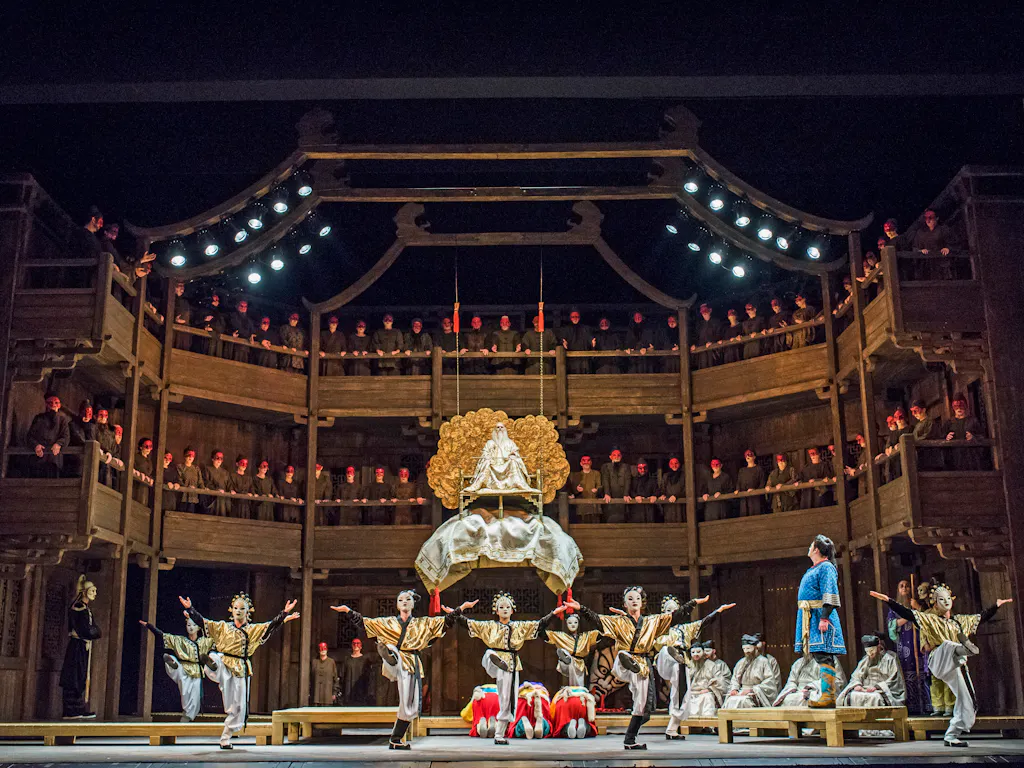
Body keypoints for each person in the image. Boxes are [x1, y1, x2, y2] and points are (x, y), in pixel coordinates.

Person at [871, 582, 1012, 747]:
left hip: (955, 665)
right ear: (935, 604)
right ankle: (964, 649)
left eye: (947, 599)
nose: (945, 602)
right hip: (938, 659)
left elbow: (980, 617)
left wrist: (996, 605)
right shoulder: (931, 619)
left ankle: (952, 735)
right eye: (941, 599)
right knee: (948, 645)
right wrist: (889, 601)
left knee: (969, 702)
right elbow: (909, 614)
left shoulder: (959, 621)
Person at [576, 589, 708, 750]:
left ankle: (630, 739)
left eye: (637, 598)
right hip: (625, 661)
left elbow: (673, 617)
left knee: (642, 705)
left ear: (642, 602)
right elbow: (597, 620)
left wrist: (692, 603)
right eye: (630, 598)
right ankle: (625, 661)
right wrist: (581, 608)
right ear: (625, 604)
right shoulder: (618, 621)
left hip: (642, 666)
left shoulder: (651, 622)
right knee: (623, 656)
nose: (634, 601)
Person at [180, 592, 299, 749]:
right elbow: (203, 622)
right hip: (223, 661)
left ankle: (225, 738)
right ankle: (211, 664)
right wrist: (191, 609)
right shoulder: (223, 627)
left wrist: (283, 614)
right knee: (216, 658)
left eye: (242, 608)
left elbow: (269, 626)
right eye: (236, 608)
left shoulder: (251, 629)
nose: (238, 611)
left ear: (247, 612)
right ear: (231, 610)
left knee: (238, 707)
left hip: (240, 668)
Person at [456, 592, 565, 745]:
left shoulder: (519, 627)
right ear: (496, 611)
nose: (505, 609)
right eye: (501, 607)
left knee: (507, 699)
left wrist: (554, 613)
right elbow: (469, 624)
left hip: (510, 665)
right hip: (495, 660)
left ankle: (499, 734)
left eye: (507, 607)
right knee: (489, 654)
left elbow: (539, 624)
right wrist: (457, 611)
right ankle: (494, 660)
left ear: (512, 610)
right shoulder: (490, 626)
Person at [654, 595, 733, 739]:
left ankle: (671, 730)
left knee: (681, 697)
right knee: (666, 651)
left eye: (674, 610)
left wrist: (719, 611)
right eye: (668, 610)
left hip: (682, 663)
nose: (671, 613)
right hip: (665, 661)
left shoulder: (686, 628)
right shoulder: (658, 628)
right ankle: (672, 653)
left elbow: (704, 622)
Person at [794, 534, 846, 707]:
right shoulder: (814, 568)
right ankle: (826, 695)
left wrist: (824, 617)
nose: (809, 548)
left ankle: (828, 695)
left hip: (820, 616)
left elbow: (829, 593)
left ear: (816, 549)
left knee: (823, 655)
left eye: (811, 545)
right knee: (818, 654)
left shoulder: (826, 567)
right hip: (810, 616)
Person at [139, 613, 216, 722]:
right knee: (184, 691)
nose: (191, 627)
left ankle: (187, 717)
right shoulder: (180, 640)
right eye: (188, 625)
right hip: (183, 670)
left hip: (197, 671)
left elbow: (216, 637)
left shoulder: (205, 641)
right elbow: (163, 636)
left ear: (198, 627)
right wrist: (150, 626)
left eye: (194, 625)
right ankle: (172, 663)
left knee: (194, 699)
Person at [887, 578, 931, 715]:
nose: (905, 588)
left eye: (907, 586)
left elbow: (928, 619)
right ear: (898, 590)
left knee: (923, 673)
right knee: (908, 675)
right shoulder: (895, 608)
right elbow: (891, 625)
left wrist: (916, 609)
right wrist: (909, 616)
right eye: (902, 586)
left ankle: (927, 705)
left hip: (919, 643)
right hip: (905, 645)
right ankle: (912, 706)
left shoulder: (918, 605)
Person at [60, 575, 101, 718]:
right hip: (77, 645)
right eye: (92, 590)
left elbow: (94, 629)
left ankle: (78, 707)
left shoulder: (85, 608)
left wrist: (94, 632)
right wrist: (92, 632)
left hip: (83, 645)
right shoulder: (78, 607)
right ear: (84, 591)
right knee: (74, 676)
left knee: (81, 675)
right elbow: (86, 630)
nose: (94, 593)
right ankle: (70, 709)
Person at [464, 423, 536, 496]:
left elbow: (515, 453)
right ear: (495, 429)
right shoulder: (490, 443)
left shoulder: (510, 442)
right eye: (498, 427)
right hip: (493, 464)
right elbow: (485, 453)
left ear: (505, 429)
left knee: (514, 461)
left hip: (507, 465)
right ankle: (481, 485)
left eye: (502, 427)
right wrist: (488, 457)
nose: (500, 429)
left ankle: (516, 483)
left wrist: (512, 455)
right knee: (486, 462)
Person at [836, 633, 906, 707]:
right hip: (865, 689)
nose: (870, 654)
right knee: (852, 696)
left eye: (872, 650)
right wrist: (857, 684)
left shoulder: (890, 659)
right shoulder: (864, 661)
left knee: (875, 698)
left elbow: (894, 679)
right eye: (867, 651)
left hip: (882, 690)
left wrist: (877, 686)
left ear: (878, 647)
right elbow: (856, 676)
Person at [540, 609, 602, 688]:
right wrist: (553, 614)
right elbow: (541, 631)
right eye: (570, 623)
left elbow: (602, 630)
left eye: (575, 622)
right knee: (565, 654)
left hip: (579, 665)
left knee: (579, 686)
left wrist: (585, 611)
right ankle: (565, 658)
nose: (573, 625)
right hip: (565, 665)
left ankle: (568, 659)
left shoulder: (586, 636)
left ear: (578, 623)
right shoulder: (561, 636)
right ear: (566, 624)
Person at [721, 634, 781, 709]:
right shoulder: (741, 662)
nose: (746, 651)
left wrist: (753, 690)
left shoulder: (764, 661)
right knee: (731, 701)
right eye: (744, 649)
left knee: (744, 701)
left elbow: (770, 681)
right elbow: (735, 679)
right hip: (741, 691)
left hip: (756, 693)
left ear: (755, 648)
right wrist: (734, 689)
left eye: (749, 648)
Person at [774, 653, 847, 707]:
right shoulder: (799, 662)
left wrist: (811, 687)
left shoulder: (830, 660)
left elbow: (838, 681)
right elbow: (791, 682)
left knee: (815, 698)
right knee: (788, 699)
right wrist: (793, 689)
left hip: (818, 691)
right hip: (800, 692)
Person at [26, 391, 70, 478]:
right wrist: (36, 445)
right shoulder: (39, 418)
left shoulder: (62, 420)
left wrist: (59, 444)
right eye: (50, 403)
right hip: (38, 459)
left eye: (56, 403)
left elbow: (65, 436)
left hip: (54, 460)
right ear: (46, 404)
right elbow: (30, 436)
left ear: (59, 405)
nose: (53, 405)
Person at [943, 394, 985, 470]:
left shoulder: (973, 421)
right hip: (955, 458)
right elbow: (941, 437)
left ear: (966, 406)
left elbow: (982, 436)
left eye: (961, 405)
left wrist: (973, 437)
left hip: (971, 458)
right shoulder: (949, 423)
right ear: (953, 407)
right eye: (956, 406)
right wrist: (946, 437)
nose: (959, 408)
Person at [913, 209, 955, 280]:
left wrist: (947, 248)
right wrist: (921, 250)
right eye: (926, 219)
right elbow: (915, 247)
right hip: (926, 266)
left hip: (941, 264)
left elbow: (953, 243)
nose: (928, 221)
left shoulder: (943, 229)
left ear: (936, 218)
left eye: (930, 218)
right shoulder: (920, 232)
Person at [339, 638, 375, 705]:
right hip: (348, 691)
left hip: (361, 691)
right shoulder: (347, 660)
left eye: (358, 644)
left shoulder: (365, 661)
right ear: (352, 646)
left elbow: (369, 678)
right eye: (354, 644)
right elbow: (342, 675)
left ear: (361, 646)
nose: (356, 645)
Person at [911, 399, 943, 470]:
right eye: (913, 411)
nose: (915, 414)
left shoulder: (930, 422)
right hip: (921, 456)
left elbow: (928, 436)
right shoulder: (917, 425)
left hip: (931, 456)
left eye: (916, 411)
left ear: (923, 410)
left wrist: (913, 441)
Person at [568, 455, 602, 522]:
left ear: (591, 462)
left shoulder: (596, 474)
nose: (586, 462)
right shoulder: (576, 475)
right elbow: (572, 490)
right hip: (581, 505)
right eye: (584, 461)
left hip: (594, 504)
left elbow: (599, 486)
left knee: (595, 523)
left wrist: (597, 489)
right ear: (581, 463)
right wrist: (577, 489)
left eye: (588, 460)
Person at [600, 448, 630, 523]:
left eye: (618, 455)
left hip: (622, 496)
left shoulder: (626, 467)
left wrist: (626, 494)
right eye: (614, 455)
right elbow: (605, 480)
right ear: (610, 457)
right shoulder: (606, 466)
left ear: (621, 456)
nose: (616, 457)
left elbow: (628, 480)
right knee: (610, 518)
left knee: (622, 518)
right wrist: (607, 493)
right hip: (610, 496)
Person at [559, 309, 593, 374]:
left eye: (577, 316)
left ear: (579, 317)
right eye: (573, 317)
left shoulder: (585, 329)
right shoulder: (566, 329)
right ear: (570, 318)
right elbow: (561, 341)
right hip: (571, 360)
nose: (575, 318)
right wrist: (563, 343)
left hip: (584, 360)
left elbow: (590, 340)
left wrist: (592, 343)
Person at [736, 449, 765, 517]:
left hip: (755, 498)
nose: (748, 456)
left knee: (755, 515)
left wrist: (755, 490)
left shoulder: (759, 469)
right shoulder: (742, 470)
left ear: (754, 457)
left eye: (750, 454)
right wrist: (737, 489)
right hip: (744, 498)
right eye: (746, 455)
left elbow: (762, 483)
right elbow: (739, 482)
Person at [693, 303, 722, 368]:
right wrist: (695, 345)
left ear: (710, 310)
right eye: (702, 312)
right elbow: (697, 337)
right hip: (702, 352)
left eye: (705, 311)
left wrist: (712, 342)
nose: (704, 313)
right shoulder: (700, 324)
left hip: (712, 351)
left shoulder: (716, 322)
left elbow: (719, 334)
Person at [203, 450, 231, 516]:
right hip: (212, 499)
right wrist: (216, 489)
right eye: (217, 458)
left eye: (221, 458)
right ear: (212, 459)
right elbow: (206, 482)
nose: (219, 460)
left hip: (223, 499)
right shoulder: (207, 469)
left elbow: (229, 484)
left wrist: (231, 490)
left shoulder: (225, 472)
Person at [630, 459, 658, 523]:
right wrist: (635, 496)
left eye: (644, 468)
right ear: (637, 468)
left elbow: (657, 490)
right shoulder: (634, 480)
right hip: (637, 508)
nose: (643, 470)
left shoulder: (652, 480)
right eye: (640, 468)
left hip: (649, 508)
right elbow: (630, 491)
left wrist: (654, 496)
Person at [660, 456, 685, 523]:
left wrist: (676, 496)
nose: (674, 465)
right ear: (669, 465)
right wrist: (662, 495)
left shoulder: (684, 475)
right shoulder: (665, 476)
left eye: (676, 463)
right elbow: (662, 489)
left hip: (680, 506)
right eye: (672, 463)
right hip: (669, 506)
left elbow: (686, 490)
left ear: (679, 464)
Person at [312, 642, 339, 706]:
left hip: (327, 695)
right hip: (316, 695)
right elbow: (311, 678)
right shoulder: (314, 662)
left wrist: (334, 693)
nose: (323, 650)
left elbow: (335, 678)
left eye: (324, 648)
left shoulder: (331, 662)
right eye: (321, 648)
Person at [199, 293, 225, 357]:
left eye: (217, 300)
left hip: (216, 340)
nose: (217, 302)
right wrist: (204, 322)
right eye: (215, 300)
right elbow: (196, 322)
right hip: (205, 340)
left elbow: (222, 326)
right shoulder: (204, 310)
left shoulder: (219, 314)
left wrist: (213, 328)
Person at [171, 282, 193, 351]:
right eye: (180, 285)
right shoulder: (170, 299)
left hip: (183, 332)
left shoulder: (185, 302)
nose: (182, 288)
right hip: (173, 331)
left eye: (183, 286)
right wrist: (174, 319)